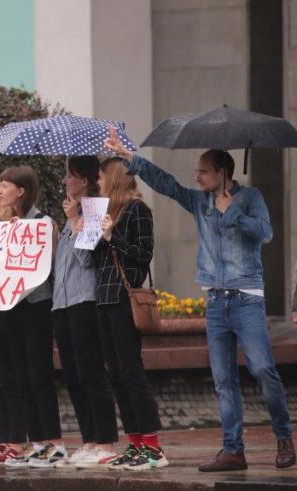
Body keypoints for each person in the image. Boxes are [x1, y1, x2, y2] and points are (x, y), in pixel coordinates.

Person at [104, 128, 295, 471]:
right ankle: (233, 450)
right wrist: (130, 158)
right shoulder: (199, 200)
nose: (196, 176)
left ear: (222, 173)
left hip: (247, 299)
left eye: (202, 171)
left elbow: (265, 233)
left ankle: (283, 436)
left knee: (264, 368)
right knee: (223, 380)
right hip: (216, 302)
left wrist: (232, 211)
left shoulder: (250, 198)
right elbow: (166, 184)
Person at [0, 165, 64, 468]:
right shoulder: (3, 222)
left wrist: (21, 235)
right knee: (20, 375)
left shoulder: (43, 222)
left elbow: (50, 263)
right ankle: (36, 442)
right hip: (11, 308)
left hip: (37, 306)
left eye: (6, 185)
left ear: (21, 191)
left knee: (39, 374)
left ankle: (54, 441)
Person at [92, 156, 165, 470]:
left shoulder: (138, 209)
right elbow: (96, 258)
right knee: (115, 373)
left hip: (125, 296)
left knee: (130, 370)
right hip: (104, 298)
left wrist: (113, 236)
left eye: (100, 177)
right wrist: (89, 230)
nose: (97, 183)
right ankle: (134, 443)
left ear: (114, 178)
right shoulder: (107, 211)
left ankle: (152, 445)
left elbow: (144, 253)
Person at [51, 157, 119, 469]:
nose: (66, 181)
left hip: (84, 300)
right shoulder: (72, 214)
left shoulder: (93, 211)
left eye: (71, 176)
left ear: (84, 180)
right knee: (73, 375)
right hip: (63, 302)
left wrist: (77, 221)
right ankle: (89, 440)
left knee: (91, 371)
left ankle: (105, 441)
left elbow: (85, 260)